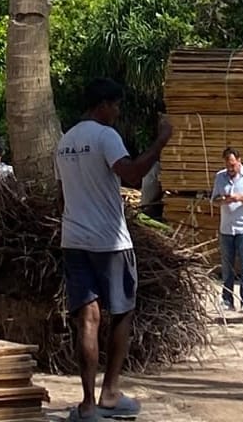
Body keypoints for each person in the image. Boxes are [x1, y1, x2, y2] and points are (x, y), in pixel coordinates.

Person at [55, 78, 172, 421]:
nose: (118, 112)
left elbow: (61, 197)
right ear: (103, 105)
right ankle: (109, 392)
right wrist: (160, 142)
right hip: (109, 241)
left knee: (87, 320)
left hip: (74, 240)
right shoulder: (105, 137)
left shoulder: (65, 141)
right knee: (122, 312)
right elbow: (132, 175)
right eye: (116, 105)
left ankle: (87, 404)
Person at [211, 147, 243, 314]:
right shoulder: (220, 177)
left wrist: (240, 197)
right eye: (228, 165)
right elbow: (214, 199)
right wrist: (222, 200)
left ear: (239, 161)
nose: (230, 169)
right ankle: (227, 300)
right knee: (227, 267)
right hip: (226, 227)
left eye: (233, 165)